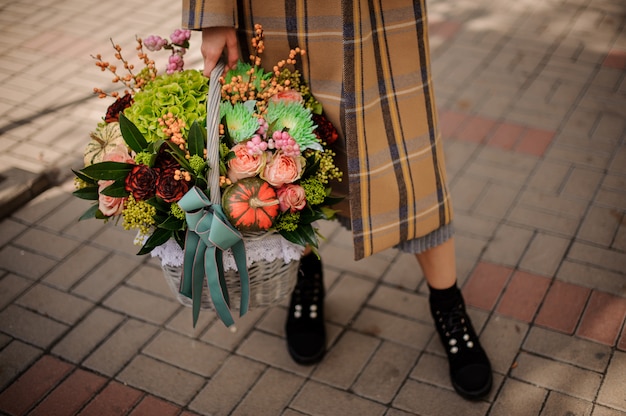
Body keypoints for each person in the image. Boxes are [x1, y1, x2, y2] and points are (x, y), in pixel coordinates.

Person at [182, 0, 492, 400]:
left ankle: (448, 305)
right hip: (272, 12)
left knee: (413, 172)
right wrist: (214, 14)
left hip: (378, 15)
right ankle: (306, 276)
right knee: (279, 164)